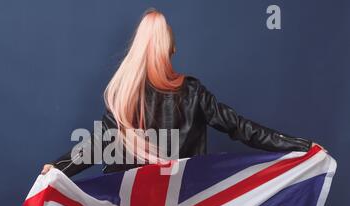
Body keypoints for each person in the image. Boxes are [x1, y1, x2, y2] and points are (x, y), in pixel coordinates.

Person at [41, 8, 318, 178]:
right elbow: (240, 128)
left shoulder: (125, 97)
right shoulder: (193, 93)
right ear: (170, 49)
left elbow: (95, 147)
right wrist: (300, 146)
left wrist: (57, 168)